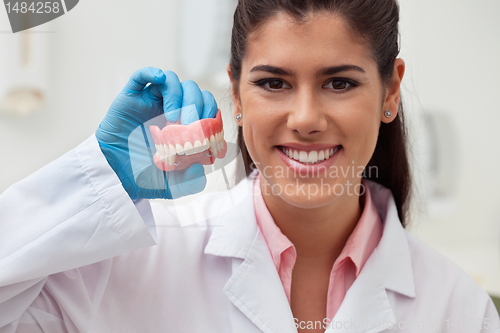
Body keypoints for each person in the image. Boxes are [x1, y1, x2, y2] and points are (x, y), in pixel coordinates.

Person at [0, 0, 499, 332]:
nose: (305, 119)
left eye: (340, 83)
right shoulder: (129, 266)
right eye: (274, 84)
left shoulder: (458, 310)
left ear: (390, 91)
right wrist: (96, 178)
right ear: (235, 93)